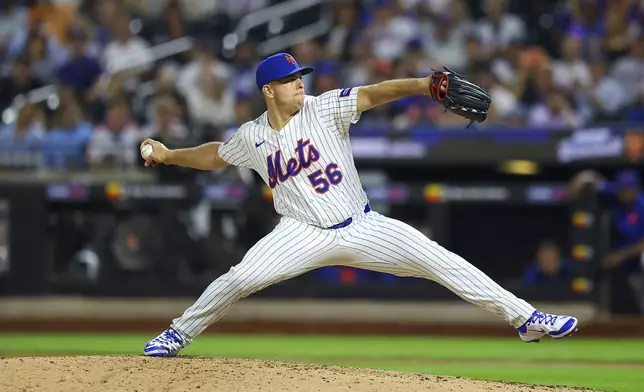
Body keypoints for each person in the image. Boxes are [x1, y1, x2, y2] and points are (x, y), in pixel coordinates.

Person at [140, 53, 578, 357]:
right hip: (299, 232)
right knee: (238, 278)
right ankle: (177, 333)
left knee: (441, 260)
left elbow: (374, 93)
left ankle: (526, 318)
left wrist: (426, 85)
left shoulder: (324, 107)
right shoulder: (253, 136)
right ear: (268, 90)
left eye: (300, 77)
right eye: (291, 80)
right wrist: (168, 154)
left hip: (362, 225)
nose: (299, 84)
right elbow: (215, 154)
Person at [570, 169, 644, 313]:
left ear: (636, 190)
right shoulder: (613, 193)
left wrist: (620, 255)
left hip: (635, 256)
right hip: (619, 258)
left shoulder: (642, 206)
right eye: (622, 190)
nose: (624, 193)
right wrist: (575, 186)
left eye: (629, 190)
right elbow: (589, 177)